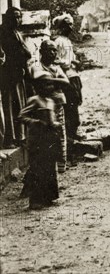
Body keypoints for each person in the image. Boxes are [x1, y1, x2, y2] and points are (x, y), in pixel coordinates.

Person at [19, 78, 63, 210]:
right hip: (37, 140)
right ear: (39, 87)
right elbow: (22, 116)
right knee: (38, 169)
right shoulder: (34, 100)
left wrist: (56, 124)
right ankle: (35, 200)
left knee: (49, 168)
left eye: (51, 85)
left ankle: (48, 197)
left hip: (49, 139)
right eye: (46, 85)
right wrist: (35, 122)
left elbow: (52, 119)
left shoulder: (50, 101)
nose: (49, 87)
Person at [31, 40, 69, 173]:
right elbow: (40, 83)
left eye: (54, 50)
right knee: (46, 138)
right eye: (50, 50)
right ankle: (48, 168)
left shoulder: (56, 68)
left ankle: (60, 166)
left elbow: (66, 82)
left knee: (61, 135)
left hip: (58, 106)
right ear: (42, 52)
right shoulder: (36, 66)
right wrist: (56, 81)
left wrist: (50, 80)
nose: (53, 53)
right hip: (44, 108)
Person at [0, 7, 32, 148]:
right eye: (15, 17)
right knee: (9, 106)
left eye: (19, 17)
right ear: (7, 18)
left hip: (18, 75)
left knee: (20, 105)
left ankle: (20, 136)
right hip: (7, 75)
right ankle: (10, 138)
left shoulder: (16, 32)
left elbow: (25, 52)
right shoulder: (2, 32)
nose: (17, 20)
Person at [53, 15, 83, 146]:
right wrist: (70, 62)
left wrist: (75, 62)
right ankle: (70, 135)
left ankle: (74, 131)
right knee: (70, 105)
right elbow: (55, 59)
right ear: (61, 27)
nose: (70, 28)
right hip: (65, 76)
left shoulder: (67, 41)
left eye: (71, 25)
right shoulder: (58, 42)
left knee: (75, 102)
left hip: (73, 75)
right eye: (67, 25)